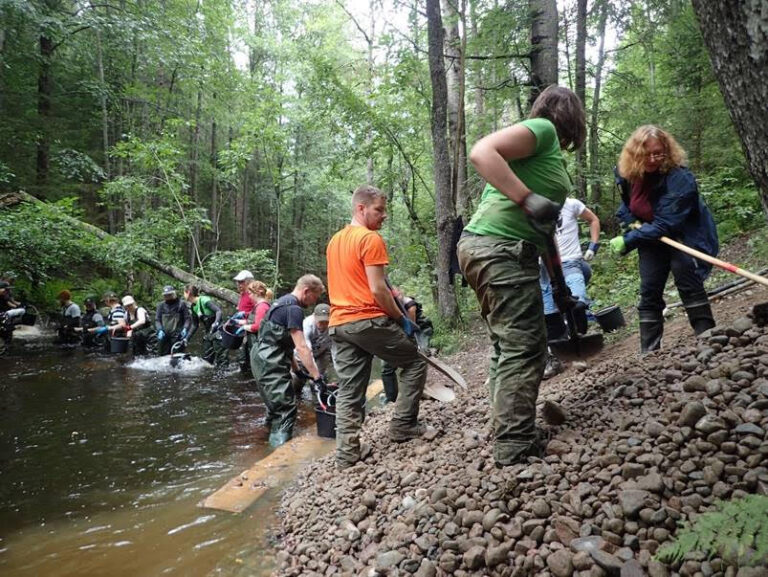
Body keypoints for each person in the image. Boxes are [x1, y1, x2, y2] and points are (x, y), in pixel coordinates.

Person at [457, 85, 586, 467]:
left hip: (489, 247)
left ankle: (506, 426)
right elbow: (481, 152)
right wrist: (527, 198)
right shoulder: (543, 130)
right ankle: (514, 445)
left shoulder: (546, 155)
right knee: (524, 344)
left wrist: (559, 286)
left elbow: (544, 230)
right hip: (499, 248)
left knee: (508, 342)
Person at [327, 185, 428, 469]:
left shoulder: (335, 241)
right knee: (415, 362)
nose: (384, 215)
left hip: (339, 324)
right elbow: (377, 290)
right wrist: (400, 319)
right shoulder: (370, 238)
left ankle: (347, 454)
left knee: (349, 389)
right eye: (379, 210)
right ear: (361, 208)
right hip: (367, 320)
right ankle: (403, 425)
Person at [610, 125, 717, 352]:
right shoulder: (626, 174)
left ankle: (709, 340)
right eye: (646, 154)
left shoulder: (680, 178)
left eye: (657, 153)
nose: (652, 159)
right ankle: (649, 353)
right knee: (649, 288)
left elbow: (666, 223)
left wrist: (629, 239)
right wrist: (630, 222)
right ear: (634, 154)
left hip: (683, 235)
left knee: (687, 278)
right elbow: (626, 206)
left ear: (666, 151)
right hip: (650, 238)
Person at [251, 275, 326, 447]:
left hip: (260, 358)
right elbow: (302, 347)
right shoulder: (294, 309)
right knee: (285, 409)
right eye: (315, 297)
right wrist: (317, 377)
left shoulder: (281, 302)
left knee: (274, 406)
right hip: (270, 362)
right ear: (306, 291)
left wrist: (297, 369)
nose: (314, 302)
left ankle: (262, 443)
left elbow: (283, 342)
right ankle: (277, 455)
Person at [539, 197, 601, 378]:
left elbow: (593, 219)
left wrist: (593, 246)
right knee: (550, 314)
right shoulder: (531, 207)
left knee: (576, 303)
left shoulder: (571, 204)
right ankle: (556, 357)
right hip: (543, 267)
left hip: (571, 261)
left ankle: (579, 346)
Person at [380, 289, 433, 403]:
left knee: (420, 355)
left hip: (419, 328)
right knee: (386, 367)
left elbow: (411, 329)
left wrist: (412, 346)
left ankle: (420, 388)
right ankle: (391, 398)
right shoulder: (383, 306)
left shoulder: (410, 305)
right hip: (399, 330)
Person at [291, 303, 334, 392]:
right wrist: (315, 375)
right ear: (314, 316)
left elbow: (336, 351)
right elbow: (306, 351)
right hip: (302, 355)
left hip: (321, 353)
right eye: (320, 322)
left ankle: (317, 394)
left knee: (318, 384)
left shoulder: (334, 325)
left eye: (326, 322)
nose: (323, 325)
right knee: (297, 382)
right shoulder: (306, 325)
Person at [184, 285, 227, 367]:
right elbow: (194, 325)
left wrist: (216, 323)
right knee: (207, 357)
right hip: (209, 332)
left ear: (188, 293)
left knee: (221, 356)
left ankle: (224, 370)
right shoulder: (193, 307)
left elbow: (218, 311)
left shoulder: (204, 300)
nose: (184, 295)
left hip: (218, 330)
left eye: (184, 293)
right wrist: (186, 338)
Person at [155, 285, 192, 356]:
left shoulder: (181, 304)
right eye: (165, 295)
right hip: (164, 335)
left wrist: (185, 328)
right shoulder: (160, 306)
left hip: (178, 336)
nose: (167, 296)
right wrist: (159, 329)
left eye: (169, 294)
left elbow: (187, 319)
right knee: (162, 356)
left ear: (174, 294)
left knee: (178, 356)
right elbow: (157, 320)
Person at [234, 270, 257, 373]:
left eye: (241, 282)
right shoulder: (242, 294)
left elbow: (258, 313)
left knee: (251, 355)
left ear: (249, 282)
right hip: (243, 328)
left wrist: (245, 314)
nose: (239, 284)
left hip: (251, 329)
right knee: (242, 358)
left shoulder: (253, 295)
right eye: (238, 282)